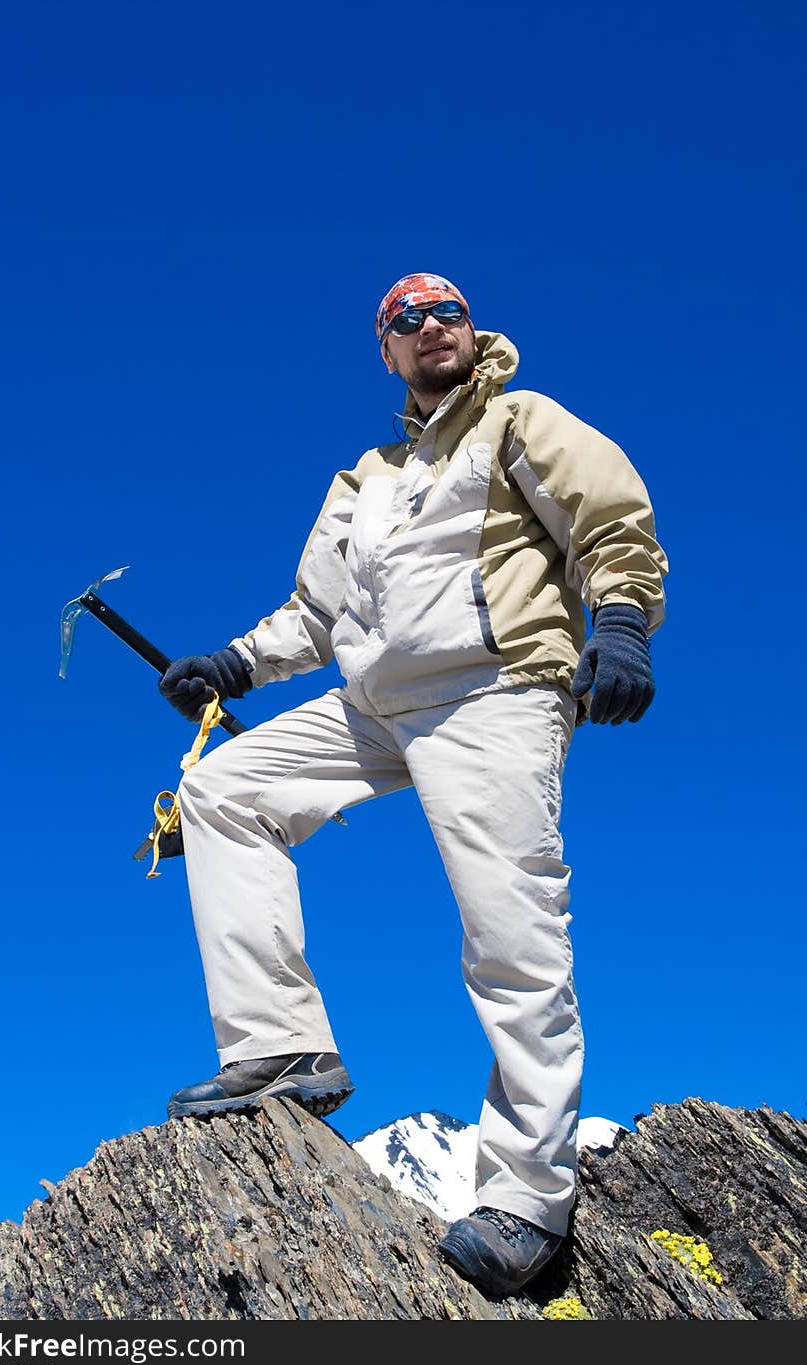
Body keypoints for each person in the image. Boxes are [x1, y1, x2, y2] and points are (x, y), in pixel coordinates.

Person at [158, 272, 669, 1300]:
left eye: (448, 312)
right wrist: (232, 666)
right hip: (377, 701)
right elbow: (315, 611)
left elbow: (610, 519)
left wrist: (618, 622)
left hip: (493, 687)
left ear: (472, 332)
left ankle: (527, 1201)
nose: (430, 325)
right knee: (224, 792)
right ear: (384, 350)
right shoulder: (368, 476)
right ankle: (277, 1048)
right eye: (405, 319)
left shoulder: (519, 419)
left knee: (508, 933)